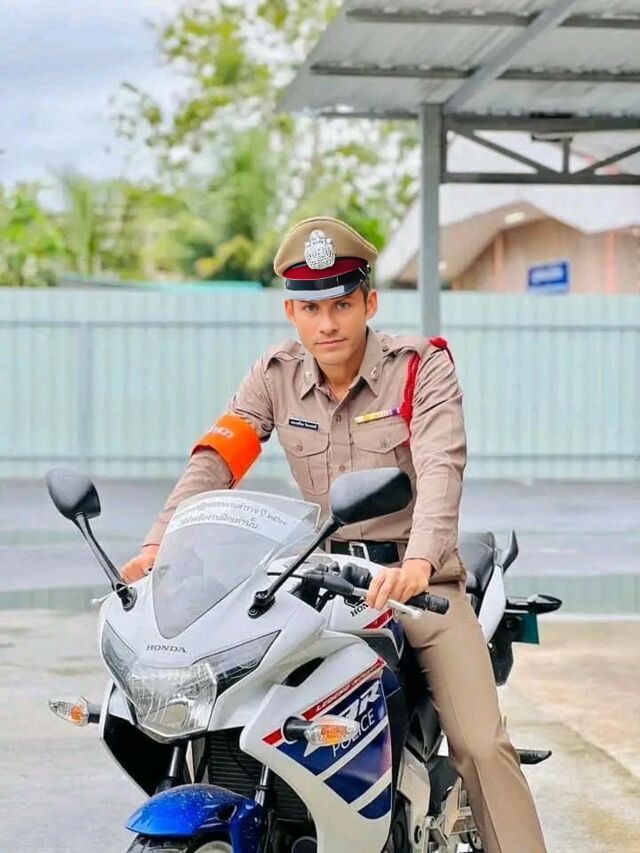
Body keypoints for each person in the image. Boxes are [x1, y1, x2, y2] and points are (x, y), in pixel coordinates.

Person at [121, 216, 547, 852]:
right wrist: (159, 545)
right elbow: (218, 458)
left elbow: (440, 466)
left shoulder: (419, 369)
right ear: (291, 311)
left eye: (342, 304)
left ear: (369, 304)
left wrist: (420, 562)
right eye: (312, 308)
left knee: (480, 743)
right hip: (320, 580)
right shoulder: (275, 376)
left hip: (416, 585)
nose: (328, 323)